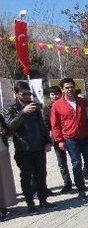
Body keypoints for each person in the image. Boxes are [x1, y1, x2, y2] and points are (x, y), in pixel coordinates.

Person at [4, 82, 55, 212]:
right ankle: (30, 203)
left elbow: (42, 126)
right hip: (23, 149)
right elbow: (9, 127)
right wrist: (23, 112)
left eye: (29, 93)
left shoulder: (35, 106)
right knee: (26, 176)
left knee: (41, 174)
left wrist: (47, 141)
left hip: (38, 146)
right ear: (16, 94)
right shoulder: (11, 108)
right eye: (24, 94)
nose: (27, 96)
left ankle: (43, 200)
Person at [50, 78, 88, 198]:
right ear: (62, 89)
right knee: (76, 164)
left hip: (86, 137)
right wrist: (60, 140)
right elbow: (55, 125)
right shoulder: (57, 105)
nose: (70, 89)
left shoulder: (83, 101)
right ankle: (81, 190)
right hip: (71, 139)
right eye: (67, 87)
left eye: (71, 86)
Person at [42, 86, 73, 193]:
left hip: (70, 136)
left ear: (61, 94)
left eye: (56, 94)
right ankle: (67, 183)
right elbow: (46, 124)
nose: (54, 96)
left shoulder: (68, 104)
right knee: (62, 163)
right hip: (57, 139)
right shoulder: (47, 108)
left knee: (76, 160)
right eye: (52, 94)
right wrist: (48, 138)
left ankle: (80, 181)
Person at [0, 114, 18, 220]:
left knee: (4, 180)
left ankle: (3, 205)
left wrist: (4, 131)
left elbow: (8, 131)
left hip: (2, 150)